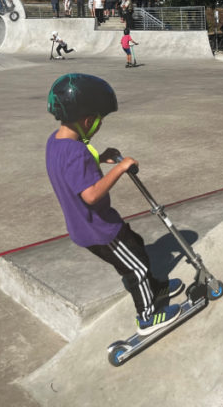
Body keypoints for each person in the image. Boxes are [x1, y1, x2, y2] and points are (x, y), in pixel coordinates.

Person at [45, 74, 184, 336]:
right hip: (98, 229)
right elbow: (90, 195)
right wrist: (120, 168)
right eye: (99, 120)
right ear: (88, 120)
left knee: (136, 245)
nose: (99, 126)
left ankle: (155, 287)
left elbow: (72, 170)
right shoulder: (76, 152)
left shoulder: (56, 142)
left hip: (91, 225)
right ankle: (147, 317)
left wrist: (99, 157)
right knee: (137, 268)